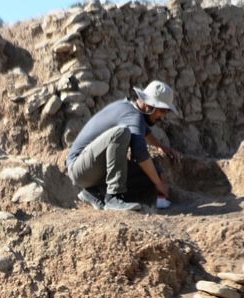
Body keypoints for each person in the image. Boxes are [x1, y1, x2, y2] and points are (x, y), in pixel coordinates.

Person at [65, 80, 181, 212]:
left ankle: (94, 192)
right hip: (79, 168)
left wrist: (159, 147)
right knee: (120, 133)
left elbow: (144, 131)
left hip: (91, 169)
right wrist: (159, 184)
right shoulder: (133, 116)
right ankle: (113, 198)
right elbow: (140, 154)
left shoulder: (131, 110)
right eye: (162, 111)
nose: (162, 116)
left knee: (152, 174)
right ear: (150, 106)